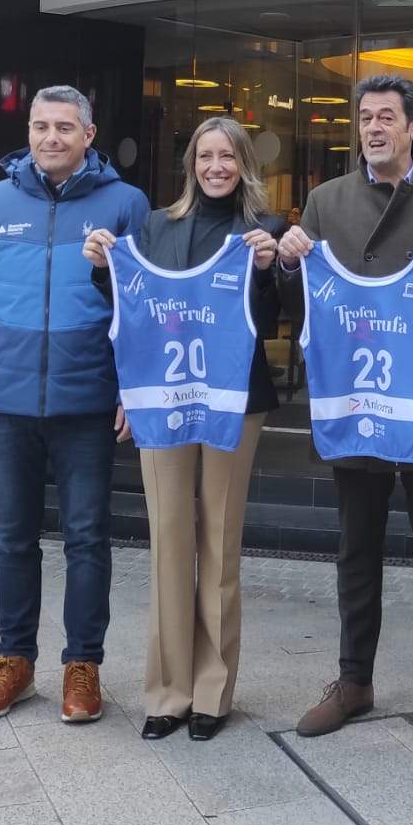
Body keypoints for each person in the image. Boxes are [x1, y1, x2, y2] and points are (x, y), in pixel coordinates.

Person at [277, 74, 413, 747]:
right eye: (364, 117)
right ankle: (353, 679)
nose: (373, 128)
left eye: (386, 118)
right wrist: (288, 266)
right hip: (354, 394)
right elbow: (302, 306)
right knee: (356, 545)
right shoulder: (323, 202)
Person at [0, 85, 149, 723]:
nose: (50, 138)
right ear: (27, 132)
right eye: (40, 126)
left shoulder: (126, 204)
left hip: (88, 403)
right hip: (5, 403)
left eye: (64, 127)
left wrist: (133, 392)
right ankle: (14, 662)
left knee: (87, 539)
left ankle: (82, 665)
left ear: (90, 135)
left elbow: (146, 309)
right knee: (12, 540)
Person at [81, 116, 282, 742]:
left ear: (244, 163)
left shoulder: (263, 233)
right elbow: (132, 307)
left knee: (219, 538)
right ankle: (166, 692)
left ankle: (212, 692)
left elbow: (273, 321)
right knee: (169, 535)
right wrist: (100, 266)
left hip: (235, 398)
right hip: (165, 396)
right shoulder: (154, 228)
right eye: (205, 156)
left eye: (228, 157)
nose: (216, 167)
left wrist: (274, 269)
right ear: (191, 163)